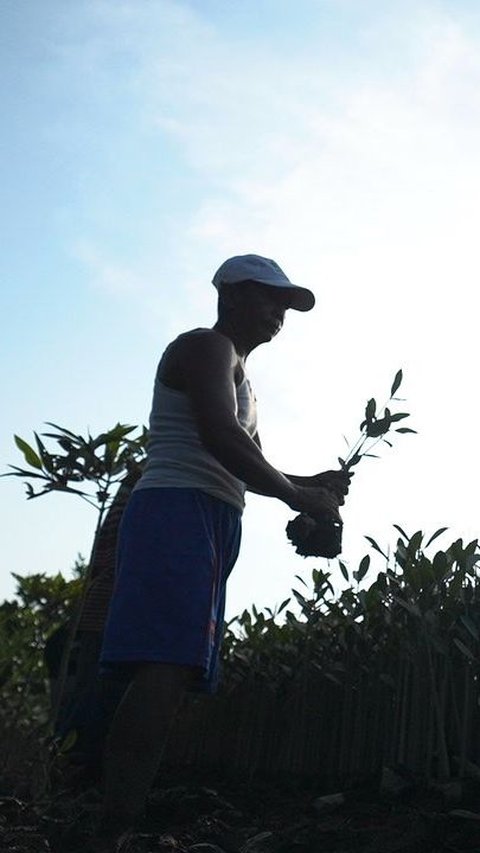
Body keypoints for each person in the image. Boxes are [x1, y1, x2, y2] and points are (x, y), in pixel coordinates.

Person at [92, 254, 350, 851]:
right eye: (269, 298)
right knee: (162, 665)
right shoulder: (206, 346)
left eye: (286, 305)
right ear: (231, 295)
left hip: (207, 516)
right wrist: (299, 498)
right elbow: (220, 437)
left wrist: (311, 485)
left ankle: (117, 828)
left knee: (173, 667)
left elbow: (250, 461)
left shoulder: (244, 381)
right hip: (176, 511)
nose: (279, 313)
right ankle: (113, 835)